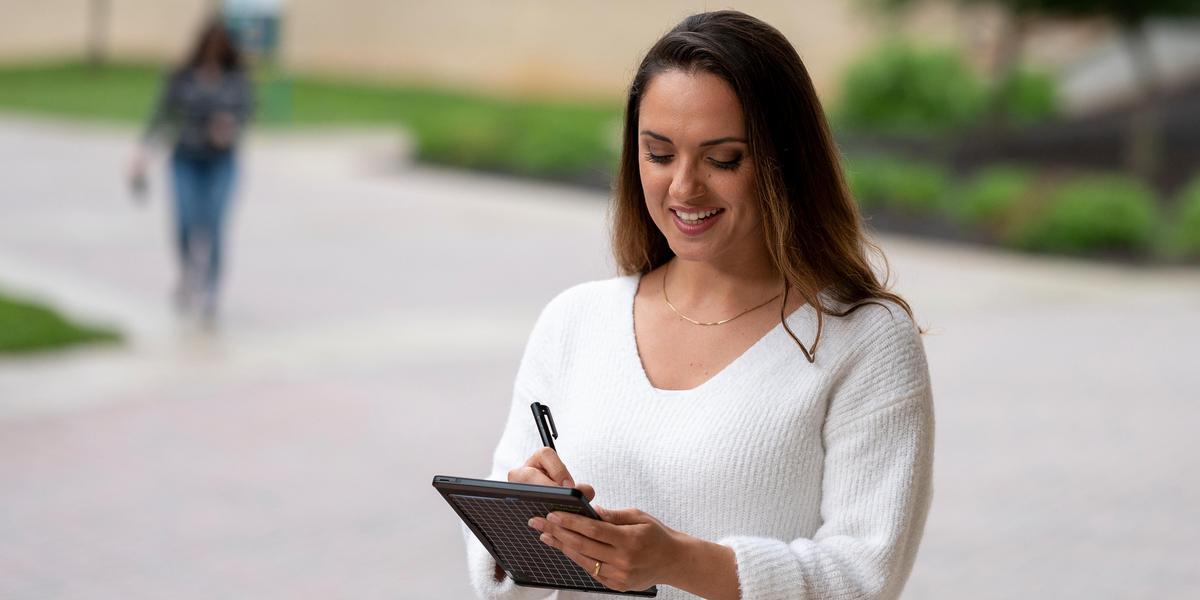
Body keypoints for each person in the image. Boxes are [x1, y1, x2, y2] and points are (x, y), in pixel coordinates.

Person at [465, 10, 934, 600]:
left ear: (785, 162)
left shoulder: (864, 340)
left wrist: (680, 561)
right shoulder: (574, 321)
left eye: (723, 159)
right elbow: (494, 573)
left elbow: (864, 577)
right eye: (659, 154)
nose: (684, 188)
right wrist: (525, 527)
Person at [129, 18, 254, 324]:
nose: (214, 51)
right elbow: (162, 115)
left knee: (213, 223)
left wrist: (230, 127)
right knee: (185, 222)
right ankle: (187, 273)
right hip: (185, 159)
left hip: (222, 162)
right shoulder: (182, 75)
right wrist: (143, 153)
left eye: (220, 46)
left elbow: (246, 113)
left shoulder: (237, 79)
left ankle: (211, 288)